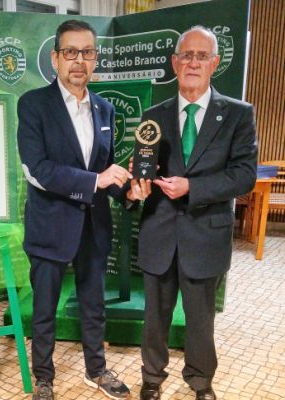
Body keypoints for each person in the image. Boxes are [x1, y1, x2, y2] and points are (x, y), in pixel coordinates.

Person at [17, 19, 141, 400]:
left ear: (95, 59)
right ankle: (44, 379)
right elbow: (38, 170)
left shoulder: (104, 109)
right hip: (50, 225)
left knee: (93, 305)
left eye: (87, 52)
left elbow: (104, 171)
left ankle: (96, 370)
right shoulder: (33, 105)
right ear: (55, 58)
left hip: (93, 226)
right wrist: (96, 180)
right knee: (44, 310)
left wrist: (129, 191)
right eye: (70, 51)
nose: (79, 60)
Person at [135, 26, 257, 400]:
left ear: (214, 63)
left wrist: (193, 188)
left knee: (201, 319)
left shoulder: (237, 114)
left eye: (201, 56)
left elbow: (244, 175)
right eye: (186, 55)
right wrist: (137, 183)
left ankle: (201, 381)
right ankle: (151, 378)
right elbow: (144, 169)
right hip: (159, 232)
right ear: (174, 63)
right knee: (155, 317)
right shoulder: (153, 116)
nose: (193, 62)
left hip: (206, 233)